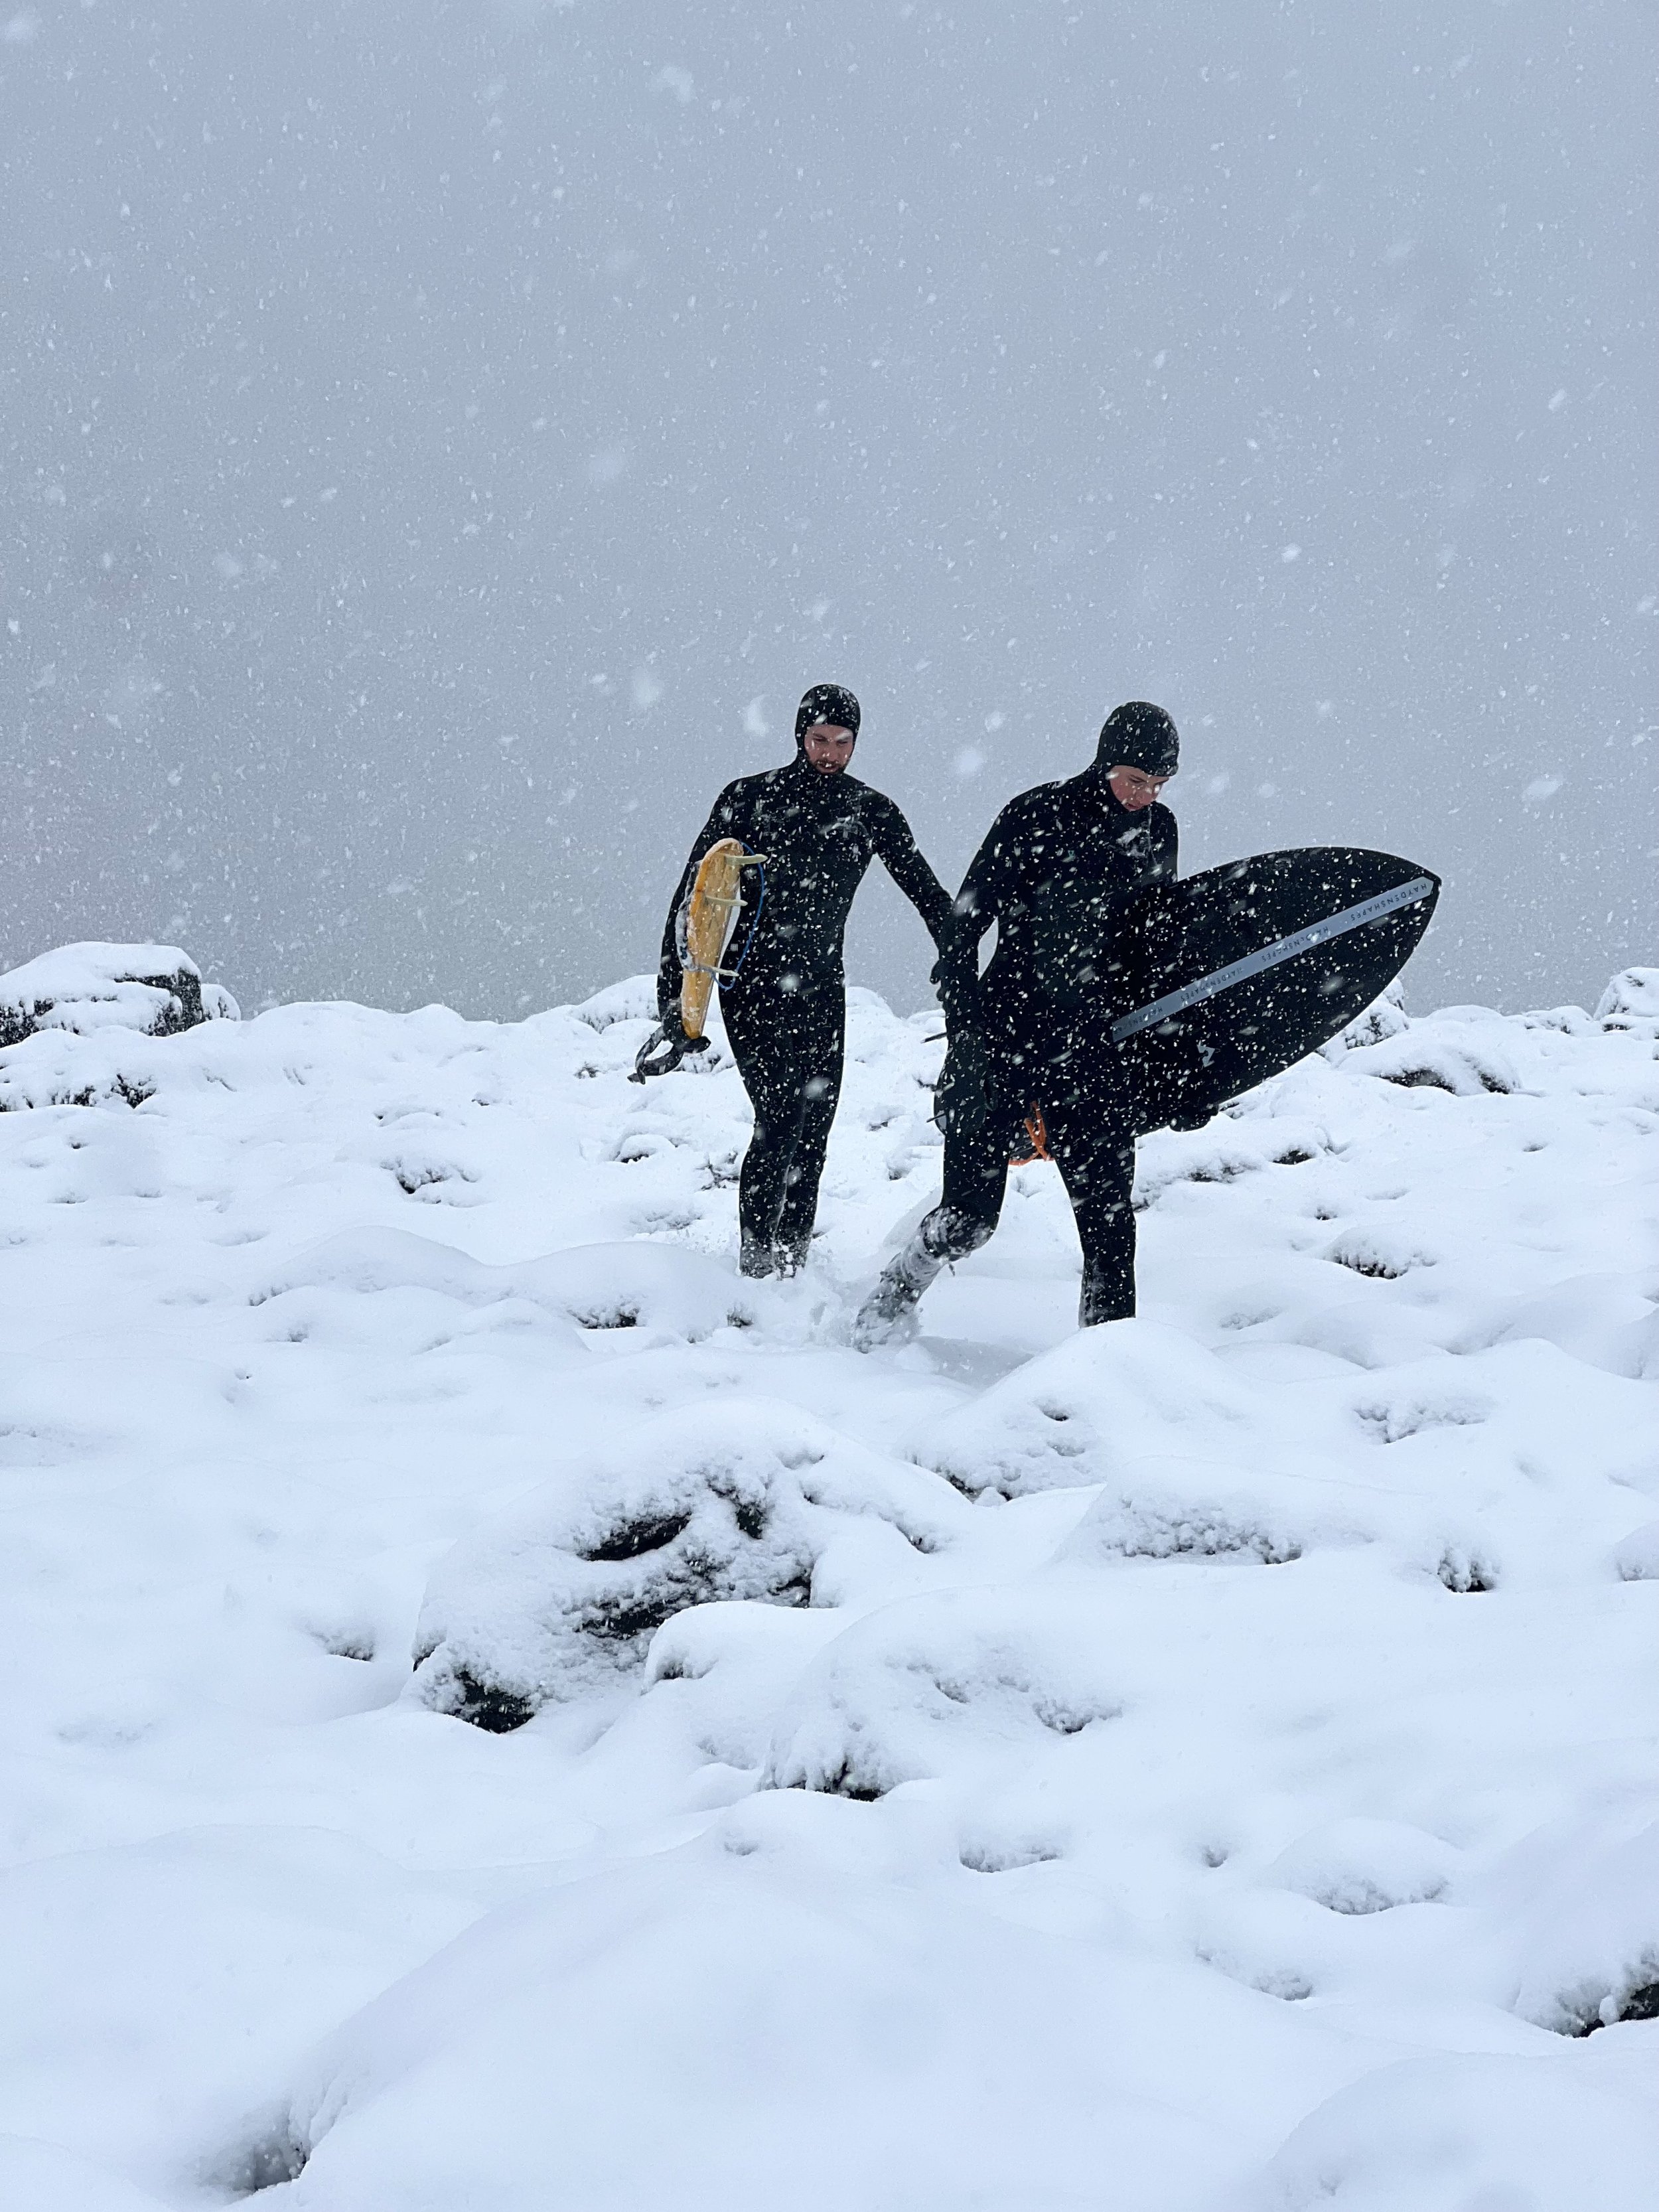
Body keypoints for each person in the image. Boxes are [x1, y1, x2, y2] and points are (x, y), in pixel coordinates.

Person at [855, 700, 1181, 1345]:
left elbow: (1155, 951)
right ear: (1103, 764)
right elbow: (961, 930)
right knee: (970, 1220)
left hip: (1094, 1054)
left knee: (1110, 1232)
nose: (1145, 796)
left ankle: (1108, 1368)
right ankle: (901, 1284)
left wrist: (1177, 1067)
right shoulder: (1036, 815)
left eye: (1158, 785)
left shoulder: (1158, 831)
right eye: (1134, 780)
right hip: (1006, 1039)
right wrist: (967, 1031)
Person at [655, 683, 954, 1278]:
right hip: (753, 984)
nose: (829, 752)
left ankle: (792, 1266)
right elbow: (693, 902)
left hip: (821, 987)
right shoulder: (750, 798)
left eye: (842, 742)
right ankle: (755, 1265)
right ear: (800, 735)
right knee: (782, 1118)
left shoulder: (870, 811)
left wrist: (961, 957)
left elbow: (928, 893)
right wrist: (675, 1001)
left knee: (814, 1128)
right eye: (819, 739)